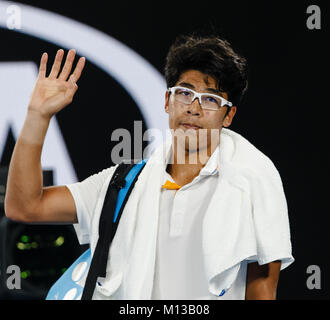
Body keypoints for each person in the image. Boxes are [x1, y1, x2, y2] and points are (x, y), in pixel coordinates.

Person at [5, 35, 294, 300]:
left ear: (228, 115)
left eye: (210, 98)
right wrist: (36, 116)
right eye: (185, 93)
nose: (194, 107)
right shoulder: (122, 184)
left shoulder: (254, 180)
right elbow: (25, 206)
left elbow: (263, 286)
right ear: (167, 101)